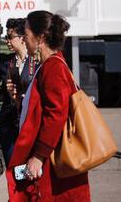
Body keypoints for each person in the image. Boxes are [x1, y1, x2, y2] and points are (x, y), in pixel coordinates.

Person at [6, 10, 90, 201]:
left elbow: (56, 115)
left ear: (41, 37)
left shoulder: (53, 67)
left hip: (53, 162)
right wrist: (21, 101)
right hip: (50, 158)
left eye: (26, 35)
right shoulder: (48, 65)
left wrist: (39, 156)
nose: (24, 40)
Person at [0, 18, 38, 166]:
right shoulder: (5, 61)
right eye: (6, 37)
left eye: (10, 37)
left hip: (30, 123)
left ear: (23, 38)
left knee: (28, 169)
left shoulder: (37, 62)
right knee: (13, 167)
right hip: (8, 123)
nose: (7, 41)